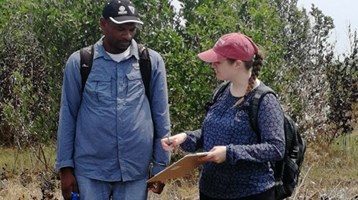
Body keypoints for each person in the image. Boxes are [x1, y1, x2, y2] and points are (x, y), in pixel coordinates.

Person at [55, 0, 170, 199]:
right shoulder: (80, 62)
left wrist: (161, 166)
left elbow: (161, 116)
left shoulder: (150, 62)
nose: (127, 35)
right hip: (90, 171)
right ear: (103, 24)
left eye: (132, 29)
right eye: (120, 29)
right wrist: (65, 168)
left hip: (135, 170)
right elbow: (68, 116)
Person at [161, 33, 285, 200]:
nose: (212, 65)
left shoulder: (264, 100)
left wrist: (230, 153)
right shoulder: (221, 92)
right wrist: (185, 138)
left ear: (237, 64)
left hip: (250, 193)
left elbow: (276, 148)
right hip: (210, 191)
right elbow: (210, 134)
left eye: (218, 61)